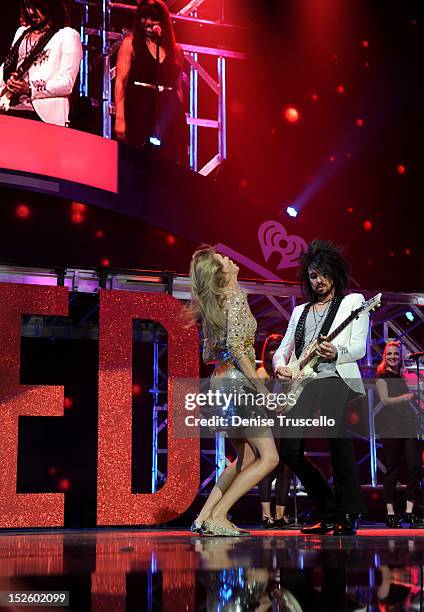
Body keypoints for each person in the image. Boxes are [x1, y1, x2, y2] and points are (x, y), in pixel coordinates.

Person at [273, 239, 369, 536]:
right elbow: (283, 348)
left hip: (334, 378)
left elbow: (358, 348)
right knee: (289, 449)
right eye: (313, 276)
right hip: (303, 382)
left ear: (335, 273)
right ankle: (328, 510)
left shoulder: (353, 303)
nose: (319, 281)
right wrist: (279, 365)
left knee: (337, 439)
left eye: (324, 274)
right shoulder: (300, 311)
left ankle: (349, 512)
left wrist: (336, 353)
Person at [188, 245, 279, 536]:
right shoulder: (235, 298)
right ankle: (219, 515)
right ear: (221, 272)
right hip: (238, 382)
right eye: (223, 259)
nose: (229, 257)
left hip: (221, 379)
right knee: (269, 457)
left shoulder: (217, 304)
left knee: (246, 458)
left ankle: (204, 518)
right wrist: (261, 388)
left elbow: (210, 355)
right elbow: (238, 350)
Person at [114, 0, 188, 163]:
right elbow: (120, 81)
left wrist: (180, 123)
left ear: (163, 22)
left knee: (168, 163)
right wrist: (119, 116)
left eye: (153, 18)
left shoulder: (175, 51)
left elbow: (178, 88)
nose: (147, 22)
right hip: (139, 106)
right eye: (144, 17)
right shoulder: (131, 43)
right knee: (138, 161)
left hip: (168, 112)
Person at [0, 0, 82, 125]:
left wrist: (29, 89)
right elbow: (4, 70)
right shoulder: (22, 33)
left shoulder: (67, 36)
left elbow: (67, 83)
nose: (31, 12)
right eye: (28, 6)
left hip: (43, 118)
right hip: (10, 110)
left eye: (36, 6)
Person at [375, 341, 423, 528]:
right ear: (385, 356)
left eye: (396, 354)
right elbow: (385, 400)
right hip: (391, 427)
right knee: (392, 469)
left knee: (415, 468)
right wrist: (406, 397)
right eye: (390, 354)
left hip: (408, 426)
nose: (393, 357)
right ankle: (390, 512)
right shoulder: (382, 377)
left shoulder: (402, 377)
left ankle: (409, 511)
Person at [257, 333, 293, 528]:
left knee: (286, 468)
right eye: (271, 347)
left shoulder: (289, 371)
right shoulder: (262, 373)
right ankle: (266, 514)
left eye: (278, 347)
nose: (274, 351)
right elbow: (255, 400)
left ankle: (280, 514)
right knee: (268, 466)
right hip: (269, 423)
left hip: (288, 421)